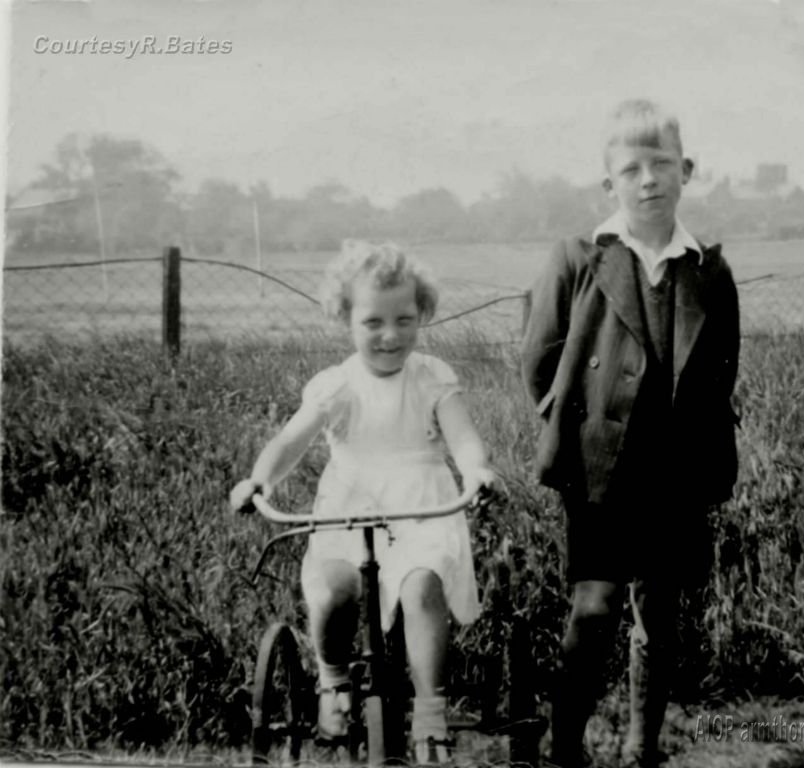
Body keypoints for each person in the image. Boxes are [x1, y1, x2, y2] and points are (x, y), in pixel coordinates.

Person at [521, 99, 740, 768]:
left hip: (673, 470)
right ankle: (566, 745)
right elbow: (539, 364)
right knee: (593, 604)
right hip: (598, 471)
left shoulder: (707, 271)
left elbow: (720, 372)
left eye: (662, 165)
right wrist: (580, 428)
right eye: (632, 168)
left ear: (687, 171)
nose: (648, 180)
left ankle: (643, 744)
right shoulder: (579, 259)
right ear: (607, 183)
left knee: (660, 610)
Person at [230, 240, 495, 765]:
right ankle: (333, 682)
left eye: (405, 319)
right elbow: (289, 442)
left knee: (423, 586)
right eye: (373, 322)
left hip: (422, 503)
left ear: (422, 317)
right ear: (346, 319)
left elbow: (462, 436)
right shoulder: (337, 385)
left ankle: (430, 713)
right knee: (333, 589)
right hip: (350, 503)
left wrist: (476, 470)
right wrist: (258, 480)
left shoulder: (432, 377)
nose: (391, 335)